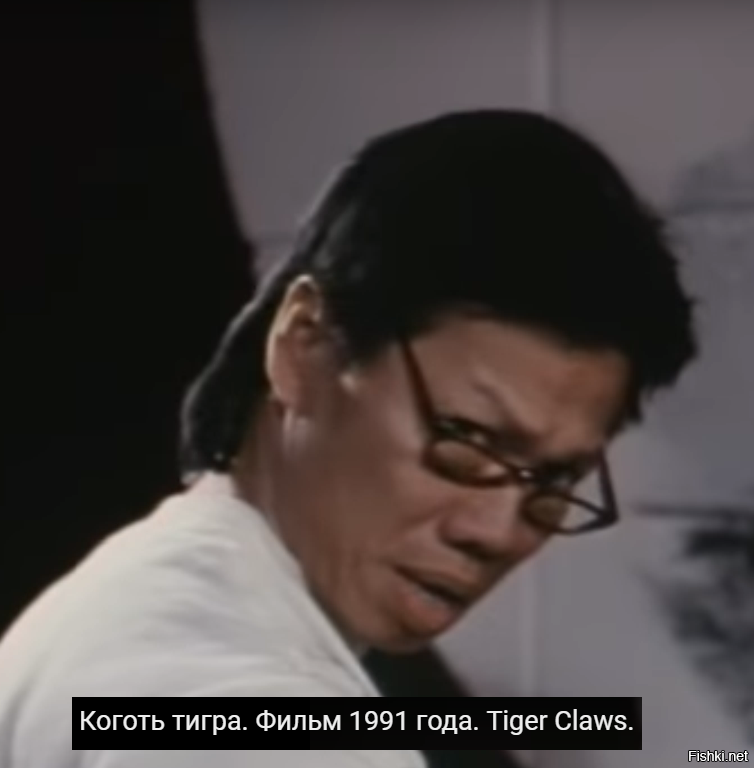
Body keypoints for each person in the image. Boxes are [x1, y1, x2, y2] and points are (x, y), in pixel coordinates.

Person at [0, 110, 696, 767]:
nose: (495, 531)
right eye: (466, 438)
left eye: (553, 478)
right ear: (305, 344)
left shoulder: (140, 598)